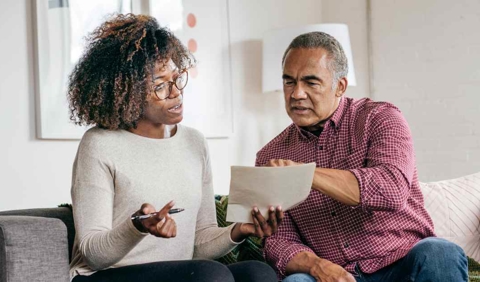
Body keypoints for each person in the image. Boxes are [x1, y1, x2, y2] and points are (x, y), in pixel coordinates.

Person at [67, 14, 281, 282]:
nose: (175, 92)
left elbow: (199, 242)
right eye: (159, 86)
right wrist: (138, 226)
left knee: (257, 273)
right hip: (105, 275)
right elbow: (92, 253)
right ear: (127, 94)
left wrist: (238, 230)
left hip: (179, 272)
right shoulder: (99, 144)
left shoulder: (194, 142)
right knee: (209, 275)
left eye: (177, 78)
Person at [257, 31, 468, 282]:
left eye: (311, 82)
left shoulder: (380, 119)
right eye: (289, 82)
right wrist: (316, 266)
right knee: (297, 281)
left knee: (441, 253)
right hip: (334, 273)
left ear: (340, 86)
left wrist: (304, 174)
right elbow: (279, 240)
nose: (297, 94)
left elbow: (390, 189)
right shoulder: (270, 155)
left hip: (401, 263)